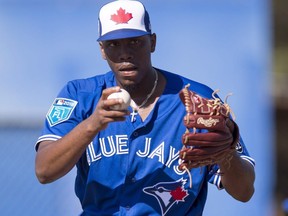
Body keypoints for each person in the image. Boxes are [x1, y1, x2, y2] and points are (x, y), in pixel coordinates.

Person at [35, 0, 255, 215]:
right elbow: (44, 171)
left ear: (153, 42)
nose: (125, 53)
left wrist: (226, 154)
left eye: (134, 42)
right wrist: (92, 124)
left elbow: (244, 191)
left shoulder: (199, 100)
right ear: (102, 50)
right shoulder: (79, 95)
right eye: (113, 44)